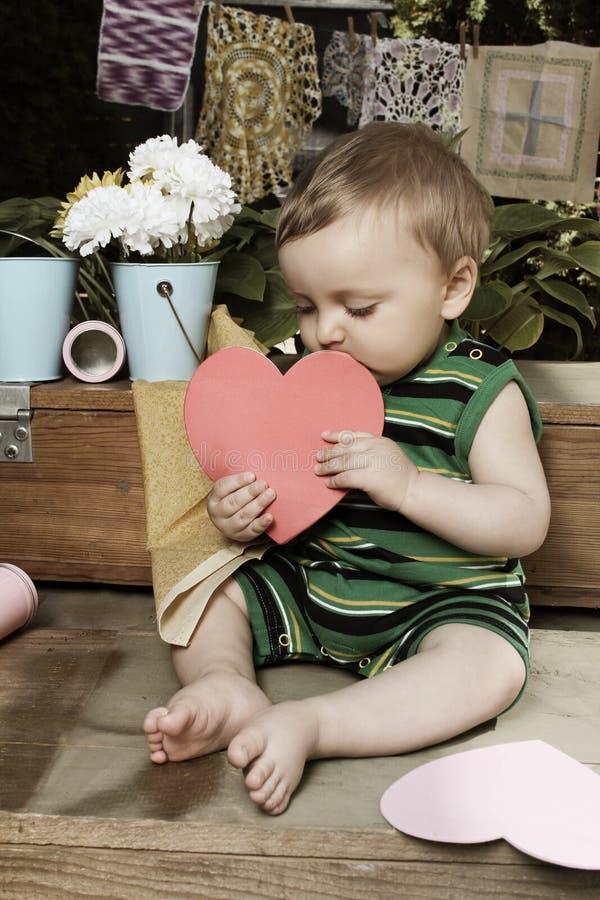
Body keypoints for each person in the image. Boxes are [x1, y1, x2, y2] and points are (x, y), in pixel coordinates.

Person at [143, 122, 551, 816]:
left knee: (489, 666)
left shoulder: (477, 387)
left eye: (358, 307)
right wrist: (234, 510)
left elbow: (524, 520)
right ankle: (224, 683)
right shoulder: (299, 374)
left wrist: (412, 486)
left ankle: (318, 723)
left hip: (441, 606)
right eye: (307, 305)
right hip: (312, 585)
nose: (325, 330)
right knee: (206, 594)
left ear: (452, 288)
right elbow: (261, 474)